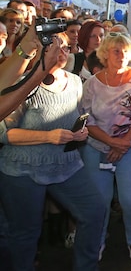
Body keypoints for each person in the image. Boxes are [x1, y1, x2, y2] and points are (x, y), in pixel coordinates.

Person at [0, 33, 106, 270]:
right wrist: (47, 137)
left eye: (67, 47)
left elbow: (74, 119)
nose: (63, 51)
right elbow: (4, 134)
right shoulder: (22, 83)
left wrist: (80, 132)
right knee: (25, 234)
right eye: (56, 47)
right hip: (22, 170)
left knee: (95, 211)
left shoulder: (75, 81)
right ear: (39, 50)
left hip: (66, 165)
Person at [79, 33, 131, 261]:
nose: (121, 55)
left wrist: (124, 142)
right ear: (105, 54)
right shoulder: (92, 84)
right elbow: (86, 120)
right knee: (99, 201)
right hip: (96, 148)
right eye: (116, 51)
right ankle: (98, 241)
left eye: (125, 51)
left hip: (128, 147)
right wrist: (111, 142)